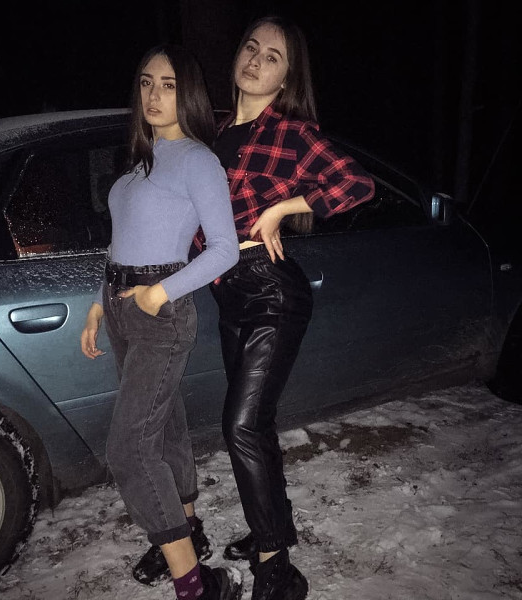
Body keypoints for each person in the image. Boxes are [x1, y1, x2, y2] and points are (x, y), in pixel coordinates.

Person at [206, 15, 376, 600]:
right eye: (250, 47)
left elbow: (356, 185)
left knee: (241, 426)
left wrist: (283, 209)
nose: (255, 60)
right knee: (257, 426)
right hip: (228, 292)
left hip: (272, 291)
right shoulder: (214, 132)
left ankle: (277, 569)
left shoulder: (292, 133)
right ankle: (271, 529)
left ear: (285, 78)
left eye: (272, 56)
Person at [80, 44, 241, 600]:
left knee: (128, 449)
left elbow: (225, 250)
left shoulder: (197, 159)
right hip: (120, 302)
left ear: (188, 92)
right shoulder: (139, 163)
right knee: (166, 428)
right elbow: (119, 241)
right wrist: (98, 303)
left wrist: (158, 293)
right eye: (147, 82)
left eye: (168, 85)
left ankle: (196, 586)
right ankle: (188, 530)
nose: (153, 94)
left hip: (160, 311)